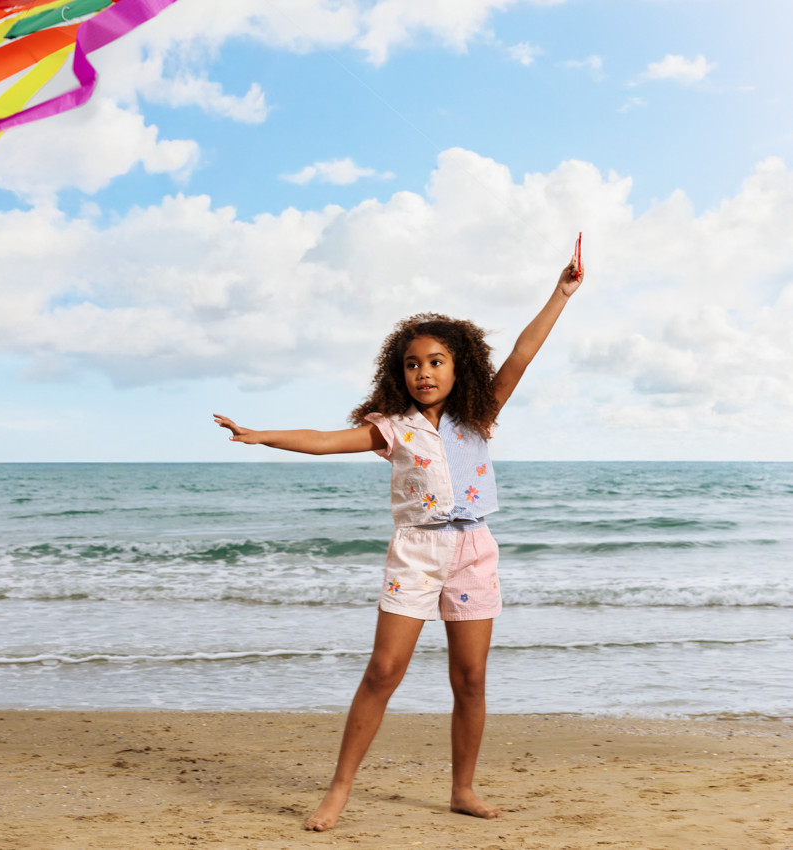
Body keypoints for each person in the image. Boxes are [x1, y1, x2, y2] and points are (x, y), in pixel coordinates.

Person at [213, 248, 584, 832]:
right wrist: (261, 436)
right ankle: (338, 790)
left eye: (436, 361)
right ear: (399, 372)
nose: (424, 373)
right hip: (416, 552)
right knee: (384, 671)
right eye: (413, 365)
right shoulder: (392, 428)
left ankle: (462, 788)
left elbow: (523, 352)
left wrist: (560, 294)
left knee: (471, 678)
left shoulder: (479, 415)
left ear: (459, 367)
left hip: (474, 551)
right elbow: (325, 439)